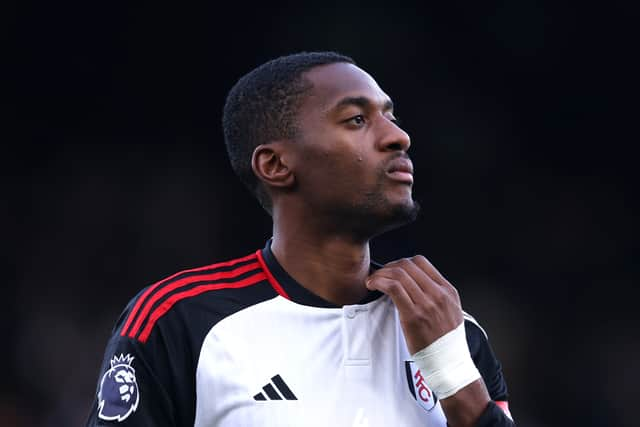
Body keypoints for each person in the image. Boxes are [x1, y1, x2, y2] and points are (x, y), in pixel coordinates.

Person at [85, 51, 515, 427]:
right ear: (275, 165)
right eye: (357, 120)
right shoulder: (180, 321)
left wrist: (455, 376)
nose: (397, 136)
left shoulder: (455, 332)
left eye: (391, 117)